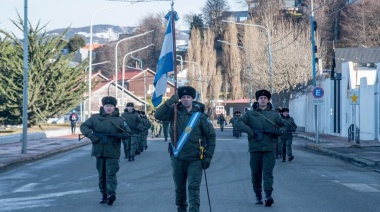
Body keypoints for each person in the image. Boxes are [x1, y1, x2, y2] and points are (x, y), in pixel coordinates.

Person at [154, 86, 216, 212]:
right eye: (183, 97)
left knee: (193, 186)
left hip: (195, 158)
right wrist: (171, 101)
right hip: (178, 157)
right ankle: (181, 208)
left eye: (188, 97)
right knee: (180, 187)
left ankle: (194, 209)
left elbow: (211, 138)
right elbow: (158, 115)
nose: (186, 99)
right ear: (180, 99)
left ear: (193, 98)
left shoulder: (200, 116)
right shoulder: (174, 112)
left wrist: (208, 157)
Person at [235, 89, 285, 207]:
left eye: (265, 98)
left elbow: (283, 127)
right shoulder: (250, 114)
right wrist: (250, 131)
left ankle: (268, 195)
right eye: (261, 98)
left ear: (268, 100)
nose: (263, 100)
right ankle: (258, 195)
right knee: (256, 173)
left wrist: (277, 132)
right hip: (255, 148)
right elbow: (238, 122)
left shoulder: (274, 115)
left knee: (268, 172)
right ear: (257, 100)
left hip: (269, 148)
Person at [80, 96, 131, 205]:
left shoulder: (120, 120)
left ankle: (111, 193)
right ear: (103, 106)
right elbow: (83, 126)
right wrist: (91, 136)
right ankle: (104, 194)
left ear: (114, 107)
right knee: (101, 174)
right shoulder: (95, 118)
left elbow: (128, 133)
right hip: (99, 150)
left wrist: (120, 135)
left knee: (111, 173)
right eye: (107, 106)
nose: (109, 108)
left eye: (111, 106)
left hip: (113, 151)